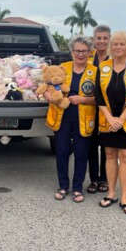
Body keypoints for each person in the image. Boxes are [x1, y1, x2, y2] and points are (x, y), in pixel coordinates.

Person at [97, 31, 126, 216]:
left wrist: (120, 120)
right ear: (111, 46)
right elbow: (99, 95)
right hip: (108, 120)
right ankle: (111, 193)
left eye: (122, 44)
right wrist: (110, 118)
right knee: (109, 155)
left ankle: (125, 197)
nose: (118, 47)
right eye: (115, 44)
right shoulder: (103, 67)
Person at [45, 36, 97, 203]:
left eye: (84, 51)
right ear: (71, 52)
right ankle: (63, 186)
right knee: (61, 151)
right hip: (62, 116)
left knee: (81, 153)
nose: (80, 54)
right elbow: (47, 85)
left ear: (90, 52)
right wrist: (47, 94)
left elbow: (101, 99)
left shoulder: (95, 72)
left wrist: (83, 100)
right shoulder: (62, 68)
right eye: (77, 51)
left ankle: (77, 187)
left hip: (84, 117)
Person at [86, 25, 110, 194]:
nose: (101, 41)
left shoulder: (115, 58)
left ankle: (106, 179)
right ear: (93, 40)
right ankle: (94, 179)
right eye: (98, 38)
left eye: (105, 38)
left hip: (109, 108)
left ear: (109, 40)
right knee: (92, 144)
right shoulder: (88, 58)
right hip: (90, 107)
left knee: (107, 145)